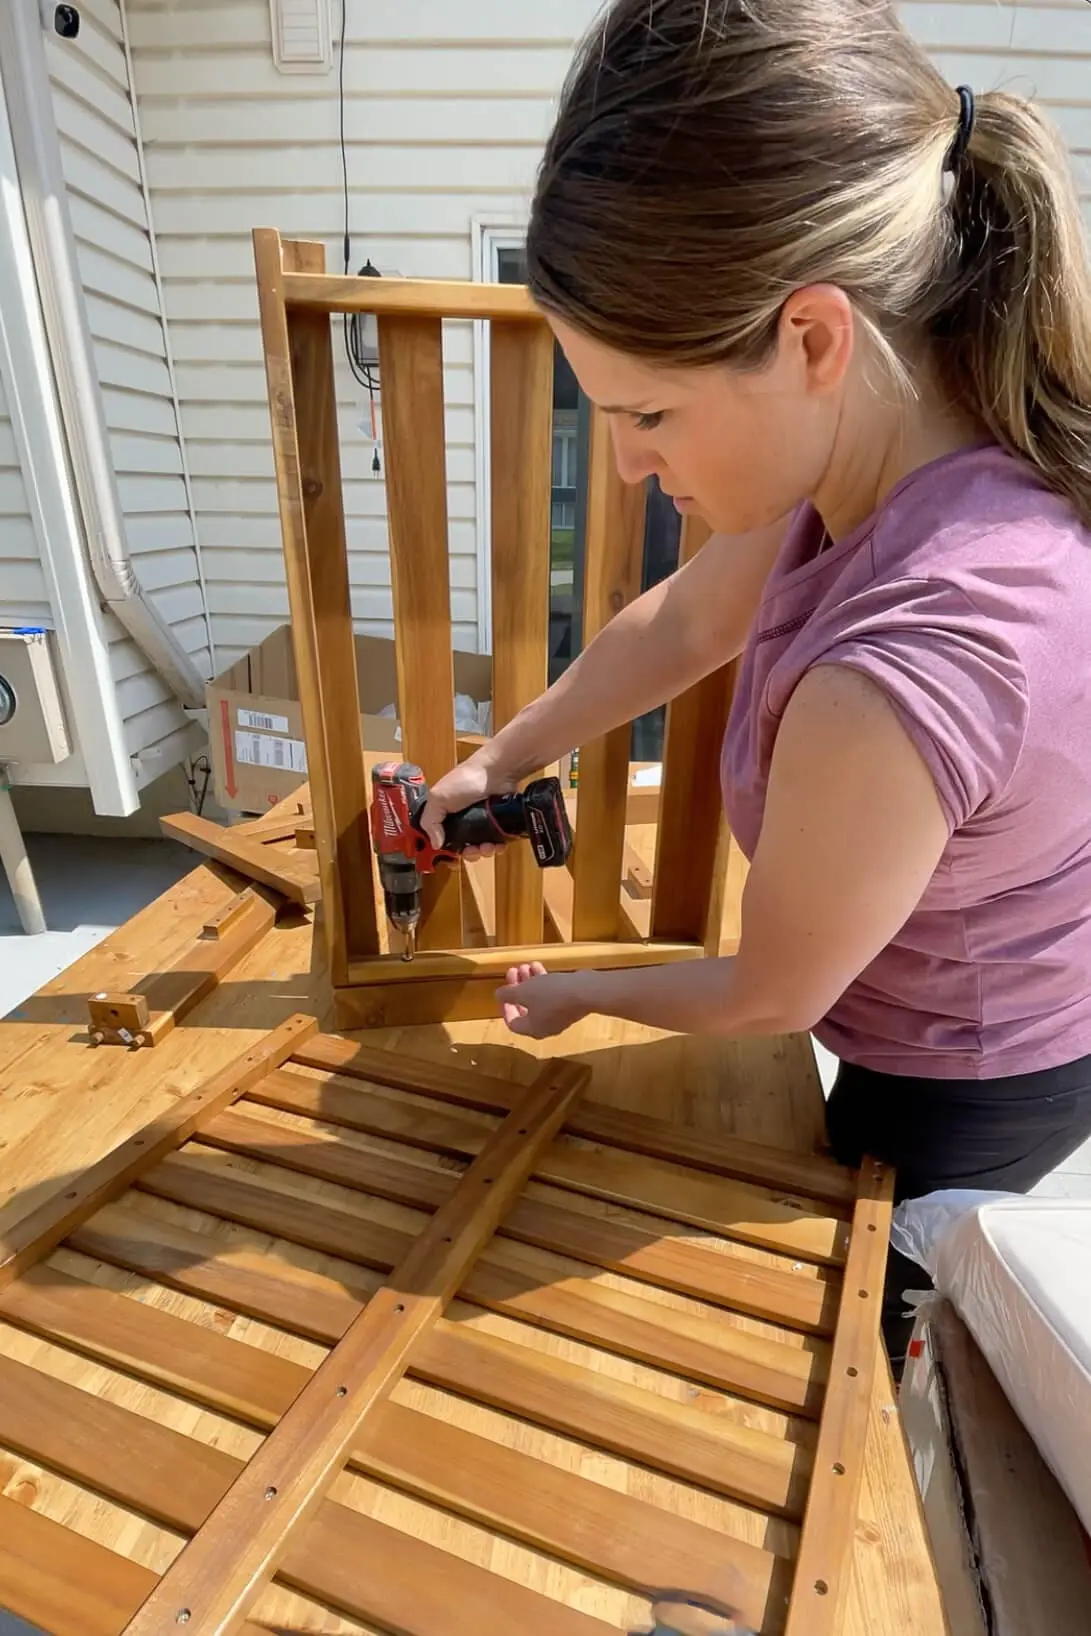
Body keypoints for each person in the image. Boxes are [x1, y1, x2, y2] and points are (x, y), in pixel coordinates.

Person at [421, 0, 1091, 1369]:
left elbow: (772, 993)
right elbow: (676, 626)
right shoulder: (870, 447)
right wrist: (508, 756)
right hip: (940, 975)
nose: (620, 468)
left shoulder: (905, 665)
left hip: (971, 1070)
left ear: (811, 338)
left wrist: (575, 997)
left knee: (865, 1319)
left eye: (646, 417)